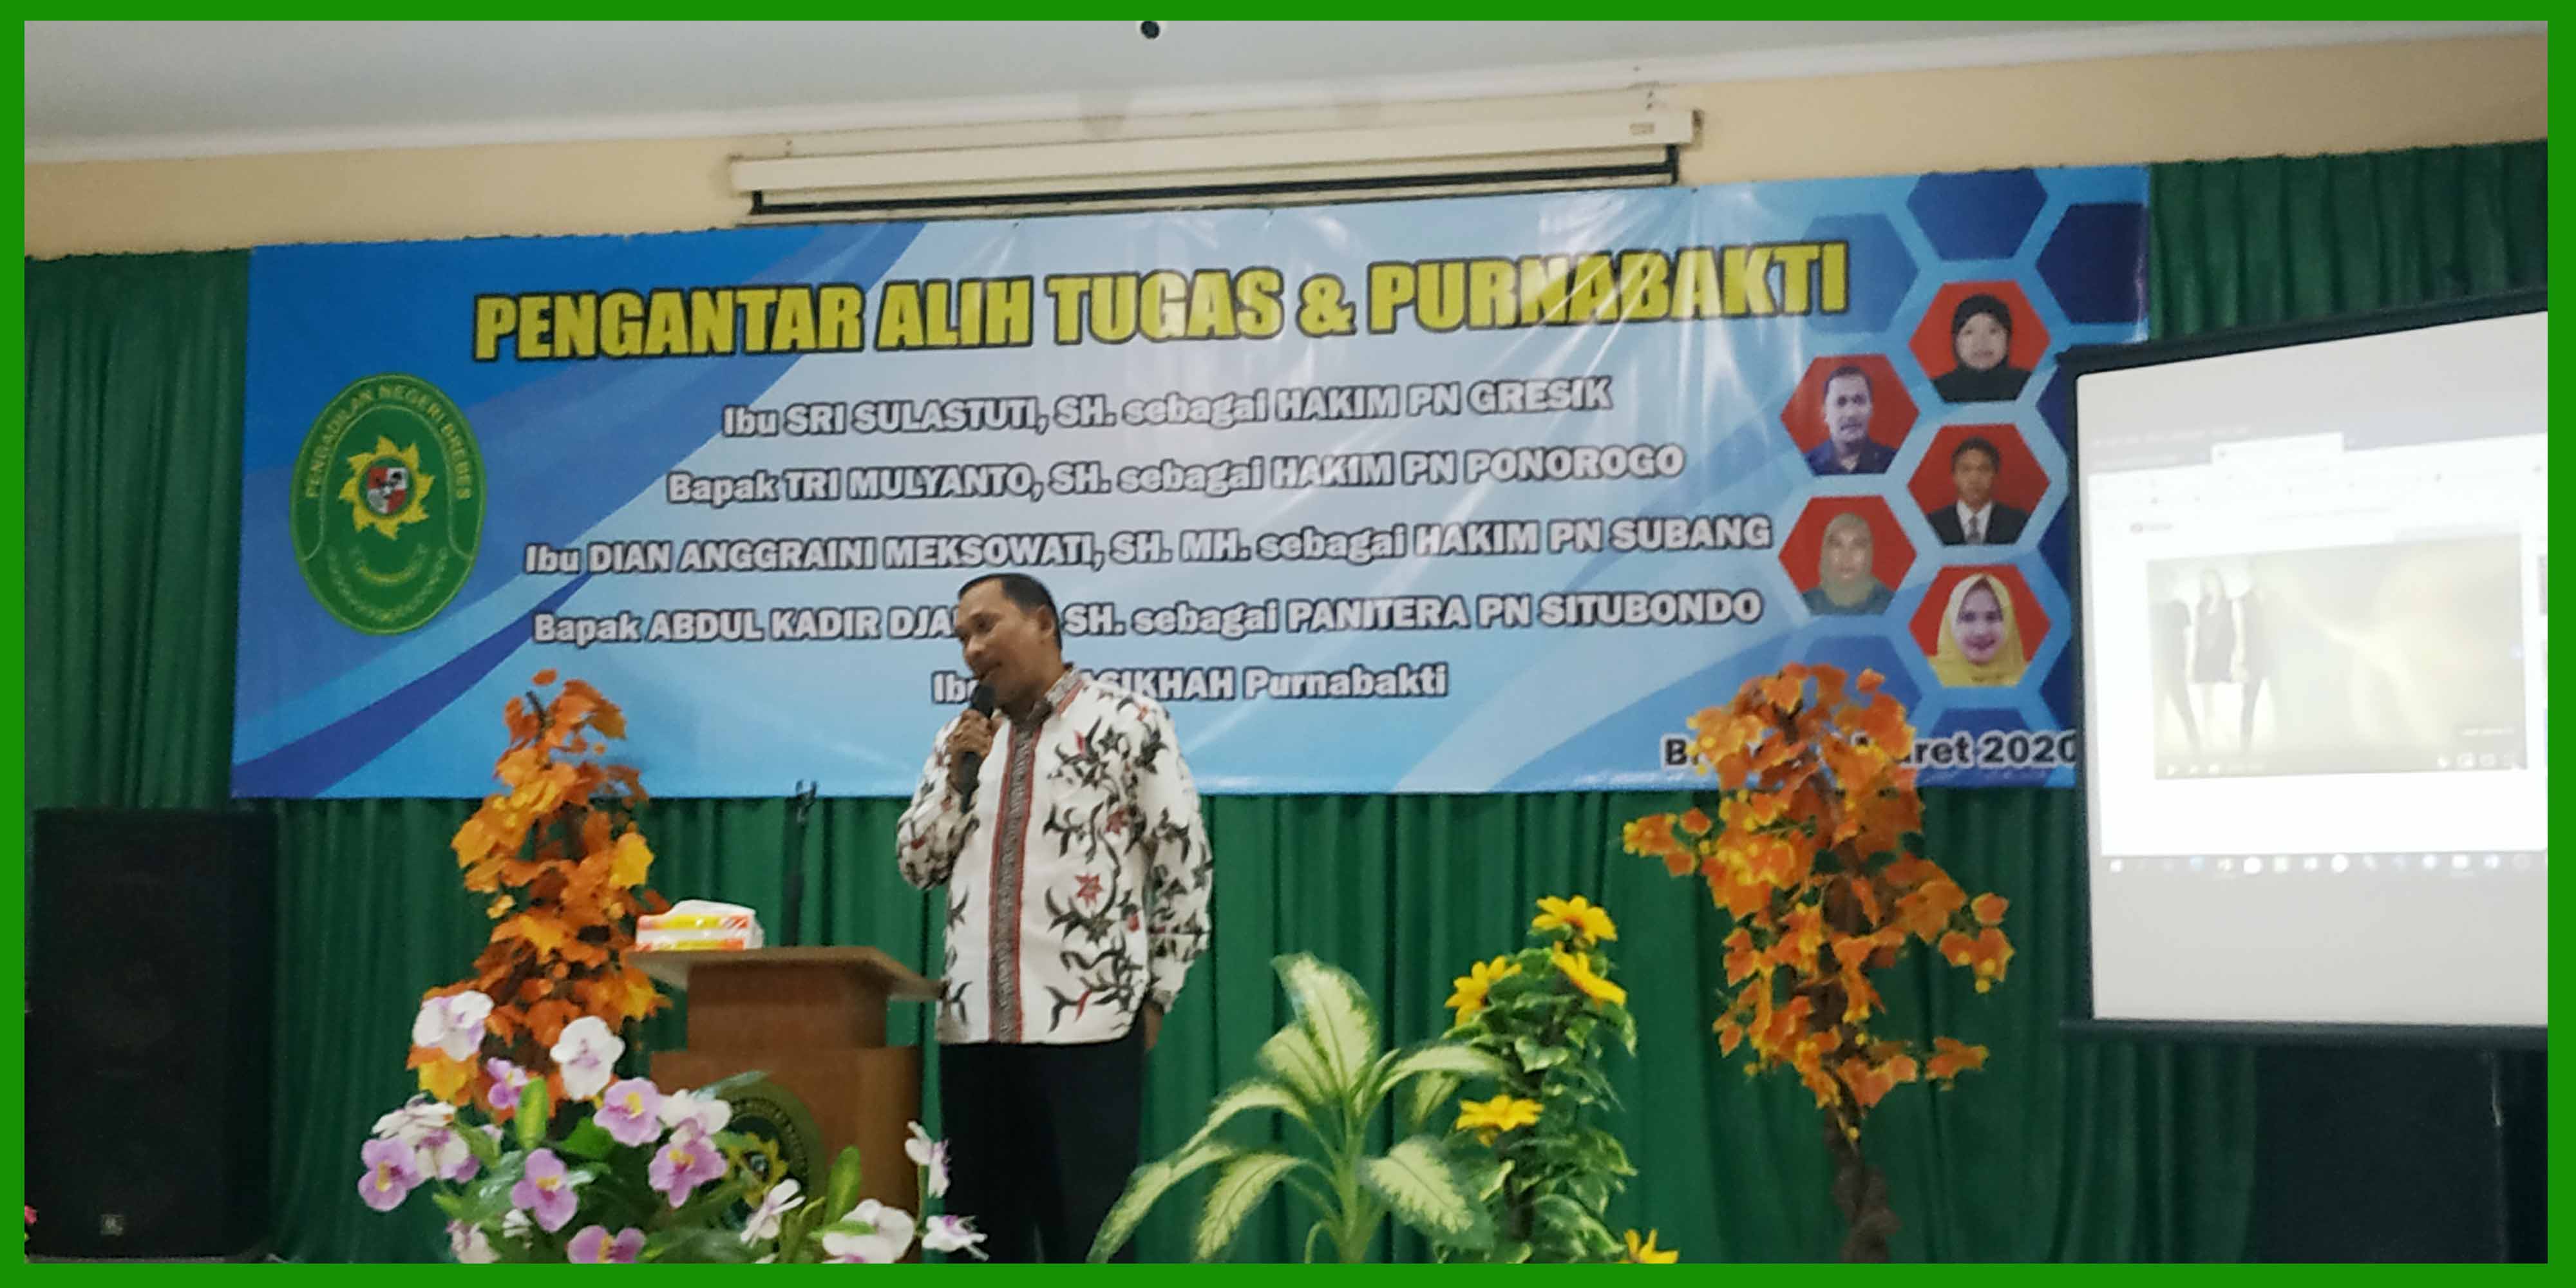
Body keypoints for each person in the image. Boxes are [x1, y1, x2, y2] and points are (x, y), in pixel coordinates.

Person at [896, 572, 1213, 1263]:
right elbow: (917, 865)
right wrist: (955, 782)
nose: (972, 649)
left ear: (1043, 622)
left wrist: (1158, 994)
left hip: (1088, 1031)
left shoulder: (1128, 721)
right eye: (961, 637)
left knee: (1090, 1243)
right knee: (980, 1246)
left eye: (985, 626)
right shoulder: (960, 741)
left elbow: (1184, 865)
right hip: (975, 1034)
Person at [1924, 436, 2030, 546]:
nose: (1974, 479)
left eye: (1983, 469)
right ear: (1954, 476)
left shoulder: (2021, 524)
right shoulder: (1930, 526)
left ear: (1995, 475)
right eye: (1966, 470)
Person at [1929, 294, 2033, 403]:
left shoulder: (2031, 386)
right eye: (1969, 332)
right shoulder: (1934, 392)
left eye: (1993, 331)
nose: (1981, 342)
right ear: (1956, 341)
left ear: (2008, 338)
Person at [1929, 573, 2029, 686]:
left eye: (1992, 617)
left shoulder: (2032, 679)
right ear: (1950, 624)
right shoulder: (1928, 678)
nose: (1981, 631)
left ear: (2009, 623)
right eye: (1968, 618)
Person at [1803, 365, 1897, 475]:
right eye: (1841, 402)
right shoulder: (1805, 466)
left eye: (1859, 400)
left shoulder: (1895, 462)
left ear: (1871, 409)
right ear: (1825, 413)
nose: (1851, 413)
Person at [1801, 512, 1896, 615]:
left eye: (1857, 546)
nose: (1846, 557)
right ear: (1825, 552)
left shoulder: (1892, 604)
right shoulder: (1803, 605)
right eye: (1837, 545)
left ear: (1870, 553)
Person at [2190, 569, 2237, 750]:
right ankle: (2210, 742)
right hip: (2203, 658)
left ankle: (2230, 740)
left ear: (2220, 582)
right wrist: (2191, 664)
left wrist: (2235, 660)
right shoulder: (2200, 606)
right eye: (2206, 582)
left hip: (2222, 658)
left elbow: (2237, 634)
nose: (2210, 585)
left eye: (2213, 581)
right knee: (2207, 704)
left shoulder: (2231, 604)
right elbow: (2196, 635)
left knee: (2223, 702)